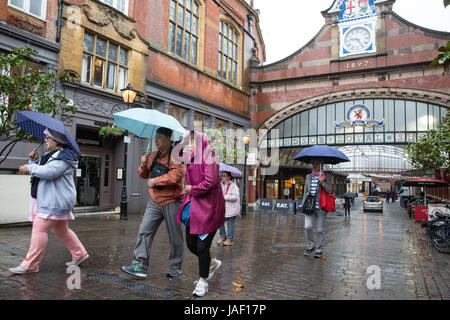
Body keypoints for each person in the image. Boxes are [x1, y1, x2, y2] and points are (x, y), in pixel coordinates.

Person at [9, 128, 88, 275]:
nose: (45, 140)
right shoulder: (54, 155)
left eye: (48, 137)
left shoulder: (64, 156)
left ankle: (31, 265)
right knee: (61, 230)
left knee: (39, 228)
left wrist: (30, 167)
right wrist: (33, 161)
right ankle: (79, 254)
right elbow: (44, 169)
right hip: (57, 200)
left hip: (55, 201)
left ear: (57, 140)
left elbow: (49, 172)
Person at [121, 127, 185, 278]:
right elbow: (143, 175)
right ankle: (139, 265)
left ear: (169, 139)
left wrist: (155, 180)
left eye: (160, 138)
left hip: (172, 201)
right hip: (155, 201)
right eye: (156, 137)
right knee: (144, 231)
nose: (156, 141)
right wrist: (143, 164)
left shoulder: (176, 156)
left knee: (174, 235)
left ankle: (176, 266)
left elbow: (176, 176)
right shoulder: (154, 155)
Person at [175, 131, 225, 297]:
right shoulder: (192, 156)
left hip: (209, 209)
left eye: (192, 142)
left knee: (203, 247)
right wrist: (182, 141)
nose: (190, 146)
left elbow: (210, 182)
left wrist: (192, 189)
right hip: (195, 208)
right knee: (191, 243)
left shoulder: (209, 157)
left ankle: (203, 282)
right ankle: (211, 263)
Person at [302, 160, 333, 259]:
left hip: (321, 207)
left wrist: (322, 182)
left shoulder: (326, 177)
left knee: (320, 230)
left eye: (316, 164)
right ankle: (310, 246)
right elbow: (305, 192)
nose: (314, 166)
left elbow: (329, 190)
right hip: (309, 206)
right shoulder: (308, 177)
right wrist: (303, 204)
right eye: (313, 164)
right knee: (307, 227)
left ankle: (319, 249)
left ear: (321, 166)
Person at [217, 171, 240, 246]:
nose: (222, 177)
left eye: (224, 176)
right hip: (222, 207)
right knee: (220, 222)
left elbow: (236, 197)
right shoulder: (220, 184)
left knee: (230, 224)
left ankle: (229, 239)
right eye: (222, 176)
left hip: (231, 208)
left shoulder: (234, 186)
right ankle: (222, 236)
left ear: (229, 177)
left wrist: (225, 197)